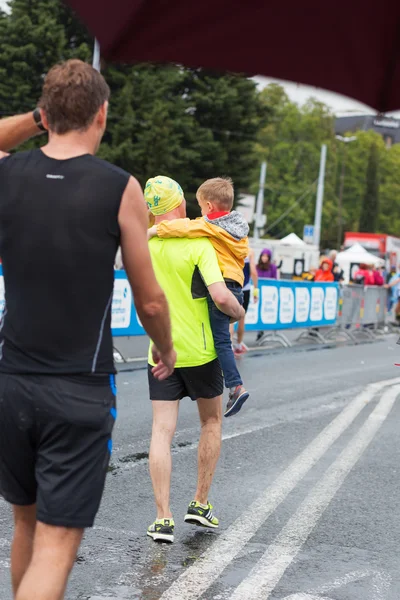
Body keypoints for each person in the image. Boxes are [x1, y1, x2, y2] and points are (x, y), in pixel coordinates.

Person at [0, 60, 176, 600]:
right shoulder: (119, 188)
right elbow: (148, 298)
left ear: (46, 114)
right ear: (102, 115)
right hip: (79, 385)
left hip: (11, 381)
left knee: (25, 527)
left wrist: (38, 117)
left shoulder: (7, 173)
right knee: (57, 544)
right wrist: (166, 347)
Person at [144, 176, 244, 543]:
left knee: (161, 432)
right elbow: (220, 296)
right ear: (180, 204)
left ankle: (162, 518)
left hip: (159, 350)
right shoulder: (200, 243)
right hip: (201, 351)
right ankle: (199, 503)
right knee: (211, 422)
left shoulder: (147, 247)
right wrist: (239, 311)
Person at [148, 177, 250, 418]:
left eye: (202, 207)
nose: (199, 213)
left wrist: (153, 230)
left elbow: (185, 227)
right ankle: (235, 386)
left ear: (210, 208)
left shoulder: (209, 228)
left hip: (223, 285)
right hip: (235, 284)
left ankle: (236, 386)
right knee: (225, 337)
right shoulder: (236, 227)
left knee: (222, 342)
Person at [233, 248, 259, 355]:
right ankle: (238, 345)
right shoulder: (249, 251)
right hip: (245, 288)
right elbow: (253, 271)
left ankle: (228, 344)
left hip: (232, 286)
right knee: (242, 318)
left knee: (228, 318)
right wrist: (256, 290)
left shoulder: (231, 245)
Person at [256, 248, 278, 341]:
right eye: (263, 256)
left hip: (268, 293)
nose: (264, 258)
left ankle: (263, 329)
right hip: (258, 292)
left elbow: (275, 279)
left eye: (266, 256)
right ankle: (259, 330)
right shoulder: (257, 267)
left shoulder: (272, 267)